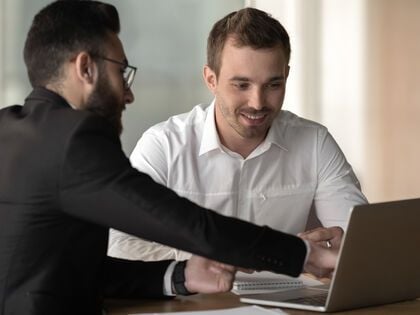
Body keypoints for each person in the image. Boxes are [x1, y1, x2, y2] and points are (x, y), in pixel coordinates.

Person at [0, 2, 338, 314]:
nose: (128, 93)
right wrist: (303, 255)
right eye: (122, 72)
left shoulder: (9, 129)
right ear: (86, 68)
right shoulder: (74, 139)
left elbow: (74, 273)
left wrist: (180, 276)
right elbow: (189, 224)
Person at [108, 7, 367, 262]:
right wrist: (218, 257)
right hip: (190, 302)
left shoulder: (315, 143)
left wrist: (341, 251)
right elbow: (119, 245)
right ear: (211, 79)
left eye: (273, 85)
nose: (257, 102)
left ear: (286, 76)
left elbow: (360, 240)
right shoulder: (164, 146)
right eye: (241, 85)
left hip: (286, 302)